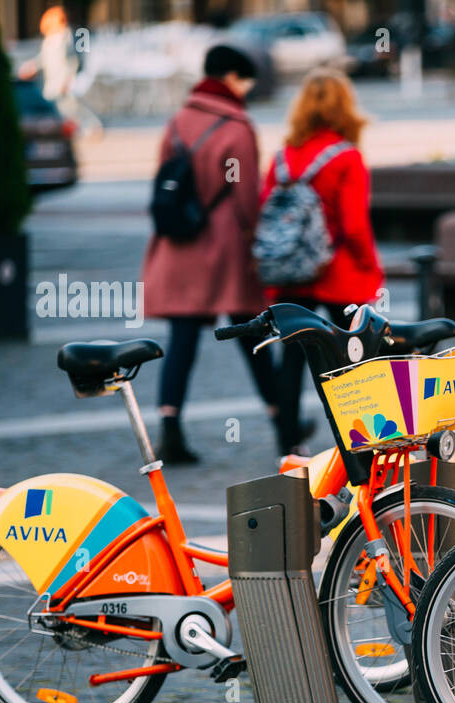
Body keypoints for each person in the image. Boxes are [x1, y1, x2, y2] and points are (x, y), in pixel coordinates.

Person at [141, 45, 297, 464]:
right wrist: (255, 243)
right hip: (226, 250)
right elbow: (247, 199)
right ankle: (285, 426)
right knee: (254, 337)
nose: (246, 88)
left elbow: (165, 181)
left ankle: (170, 428)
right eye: (244, 80)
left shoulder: (178, 121)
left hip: (181, 247)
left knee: (182, 341)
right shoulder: (237, 127)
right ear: (230, 78)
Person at [259, 68, 385, 453]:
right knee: (355, 354)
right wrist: (370, 266)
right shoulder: (346, 157)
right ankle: (359, 436)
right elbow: (354, 225)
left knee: (293, 358)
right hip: (339, 272)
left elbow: (265, 209)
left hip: (293, 272)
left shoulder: (283, 158)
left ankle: (287, 443)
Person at [17, 5, 101, 136]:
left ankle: (91, 127)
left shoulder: (66, 37)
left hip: (62, 81)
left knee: (70, 107)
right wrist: (32, 67)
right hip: (52, 82)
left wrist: (68, 79)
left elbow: (74, 59)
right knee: (62, 108)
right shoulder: (49, 40)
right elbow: (43, 59)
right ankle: (73, 130)